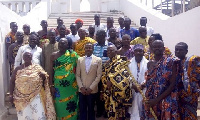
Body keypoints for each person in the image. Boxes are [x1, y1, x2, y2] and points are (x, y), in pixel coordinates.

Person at [9, 52, 56, 120]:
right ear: (23, 58)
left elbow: (45, 80)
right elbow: (12, 82)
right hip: (21, 98)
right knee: (25, 116)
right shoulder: (18, 69)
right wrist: (11, 95)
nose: (27, 58)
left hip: (36, 95)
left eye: (29, 56)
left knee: (39, 115)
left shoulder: (37, 68)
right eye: (25, 56)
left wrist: (44, 77)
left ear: (31, 57)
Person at [141, 40, 180, 120]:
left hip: (165, 99)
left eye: (159, 46)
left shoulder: (170, 62)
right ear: (151, 49)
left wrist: (157, 100)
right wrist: (142, 85)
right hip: (151, 99)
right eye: (155, 47)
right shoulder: (149, 63)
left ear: (163, 48)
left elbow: (172, 85)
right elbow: (150, 80)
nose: (157, 48)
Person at [50, 38, 79, 120]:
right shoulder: (53, 55)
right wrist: (51, 85)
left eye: (63, 44)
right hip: (58, 87)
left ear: (67, 45)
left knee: (71, 105)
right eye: (60, 43)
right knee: (59, 105)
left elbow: (80, 63)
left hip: (71, 87)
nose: (61, 45)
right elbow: (51, 71)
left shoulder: (73, 55)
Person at [102, 45, 132, 120]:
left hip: (119, 93)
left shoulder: (122, 62)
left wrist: (112, 81)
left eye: (111, 50)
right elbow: (103, 76)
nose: (109, 52)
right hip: (109, 91)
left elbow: (126, 75)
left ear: (116, 51)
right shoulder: (106, 64)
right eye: (108, 51)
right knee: (110, 112)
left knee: (120, 114)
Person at [76, 42, 102, 120]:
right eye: (86, 48)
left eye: (90, 48)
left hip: (92, 90)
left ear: (93, 49)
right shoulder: (80, 59)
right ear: (84, 49)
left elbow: (98, 76)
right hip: (82, 90)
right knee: (82, 110)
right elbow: (77, 75)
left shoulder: (98, 60)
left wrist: (91, 88)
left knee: (91, 110)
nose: (88, 49)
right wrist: (81, 87)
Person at [175, 42, 200, 120]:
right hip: (177, 97)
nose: (178, 52)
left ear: (186, 51)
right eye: (176, 50)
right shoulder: (172, 63)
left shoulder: (192, 62)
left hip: (191, 98)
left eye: (181, 50)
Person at [93, 29, 113, 118]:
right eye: (96, 36)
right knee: (97, 93)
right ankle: (99, 110)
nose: (96, 38)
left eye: (98, 36)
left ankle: (106, 110)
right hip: (96, 74)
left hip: (107, 74)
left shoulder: (110, 46)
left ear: (103, 36)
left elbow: (113, 58)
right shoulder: (93, 46)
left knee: (107, 92)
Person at [128, 44, 148, 120]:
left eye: (140, 51)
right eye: (137, 51)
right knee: (134, 111)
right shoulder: (129, 63)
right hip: (133, 89)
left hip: (144, 89)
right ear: (134, 52)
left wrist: (142, 85)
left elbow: (149, 76)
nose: (138, 53)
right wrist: (133, 86)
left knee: (143, 111)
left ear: (143, 52)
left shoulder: (148, 63)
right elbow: (127, 76)